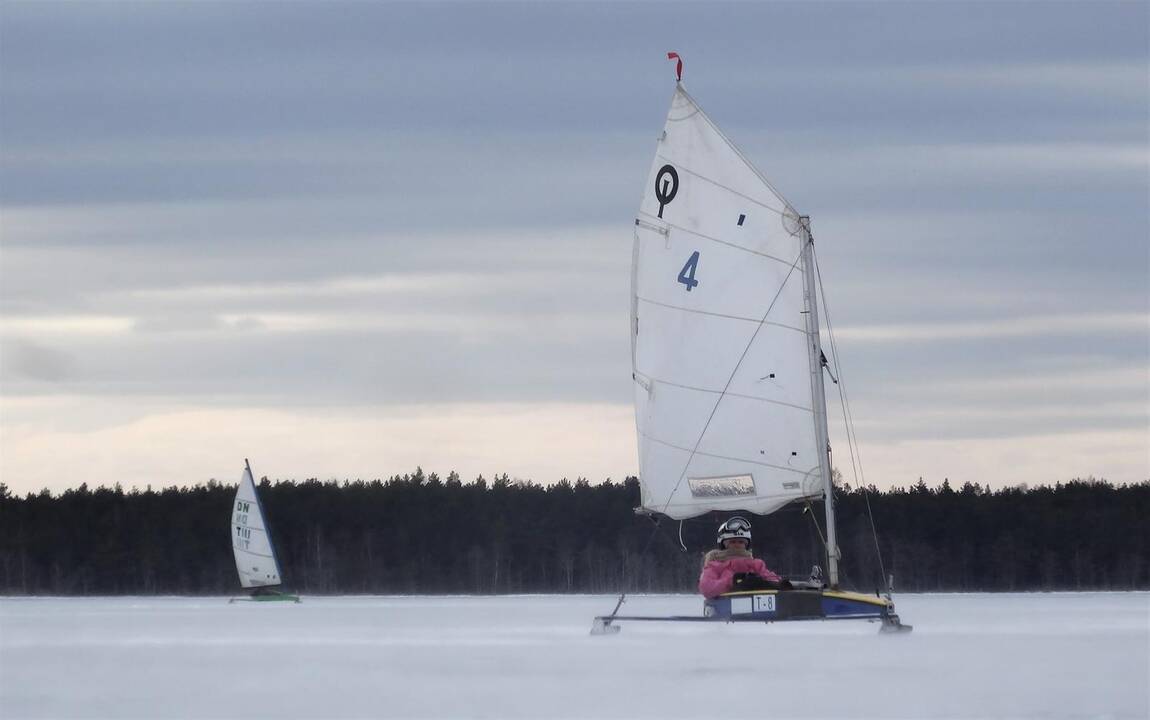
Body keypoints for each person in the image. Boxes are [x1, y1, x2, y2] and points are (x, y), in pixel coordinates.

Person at [698, 516, 788, 598]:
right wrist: (732, 581)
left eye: (741, 542)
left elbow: (770, 578)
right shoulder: (716, 565)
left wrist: (778, 584)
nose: (737, 545)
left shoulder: (755, 565)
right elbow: (706, 587)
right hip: (726, 608)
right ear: (724, 544)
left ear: (746, 544)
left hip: (757, 610)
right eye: (733, 542)